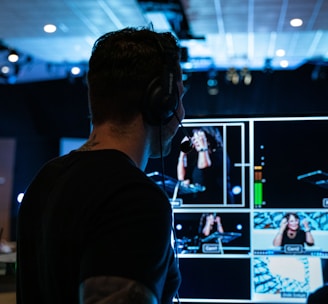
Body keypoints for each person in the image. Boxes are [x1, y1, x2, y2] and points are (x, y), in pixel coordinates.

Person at [16, 27, 185, 304]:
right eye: (179, 97)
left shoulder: (46, 178)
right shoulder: (135, 199)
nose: (181, 112)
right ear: (161, 102)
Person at [177, 126, 234, 204]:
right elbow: (181, 177)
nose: (196, 141)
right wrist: (183, 152)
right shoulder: (196, 155)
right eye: (195, 138)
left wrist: (202, 147)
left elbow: (203, 166)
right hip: (200, 200)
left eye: (199, 138)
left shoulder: (219, 154)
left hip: (218, 202)